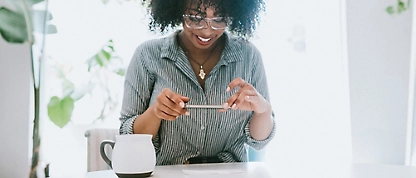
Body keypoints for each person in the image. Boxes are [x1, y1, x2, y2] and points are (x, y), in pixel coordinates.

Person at [119, 0, 276, 165]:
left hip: (231, 173)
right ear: (178, 9)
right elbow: (128, 137)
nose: (207, 30)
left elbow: (260, 141)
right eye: (195, 17)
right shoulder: (148, 55)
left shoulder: (248, 56)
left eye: (219, 19)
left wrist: (263, 111)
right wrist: (155, 113)